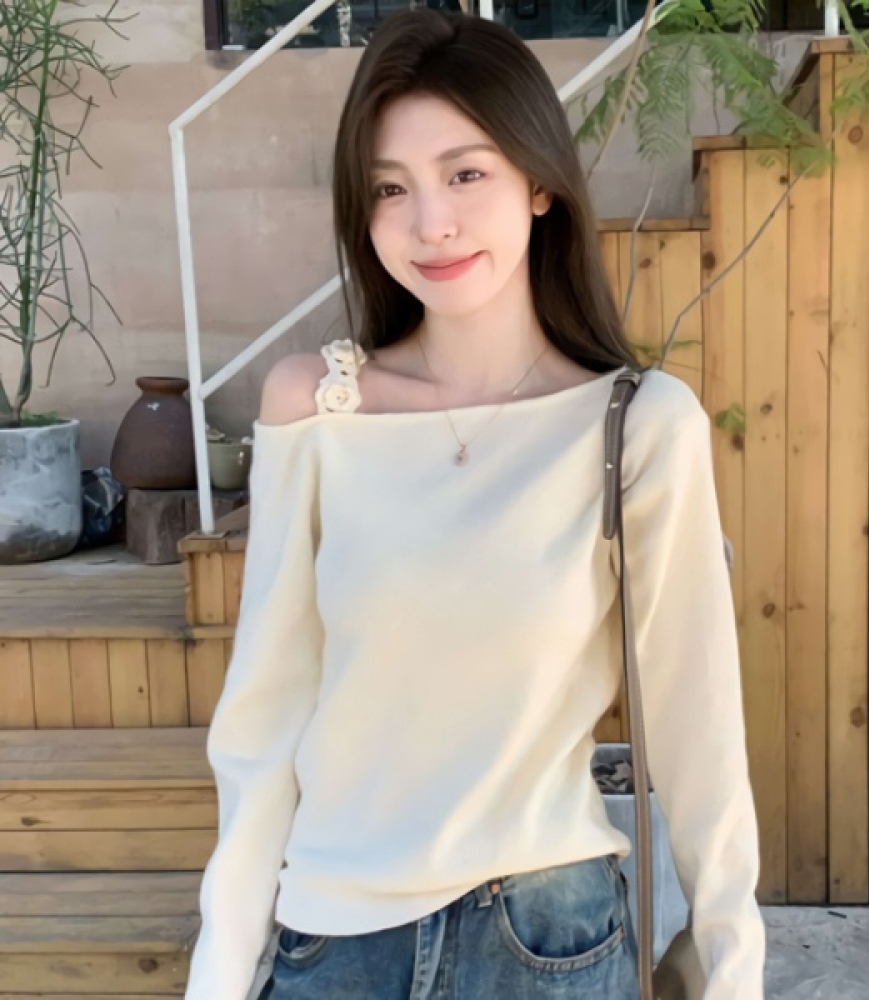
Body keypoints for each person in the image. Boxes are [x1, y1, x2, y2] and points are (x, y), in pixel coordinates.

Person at [183, 9, 765, 1000]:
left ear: (539, 181)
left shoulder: (637, 424)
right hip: (334, 941)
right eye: (389, 188)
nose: (430, 223)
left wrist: (731, 968)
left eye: (465, 173)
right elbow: (262, 725)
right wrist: (220, 972)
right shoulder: (315, 409)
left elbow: (695, 728)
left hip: (546, 938)